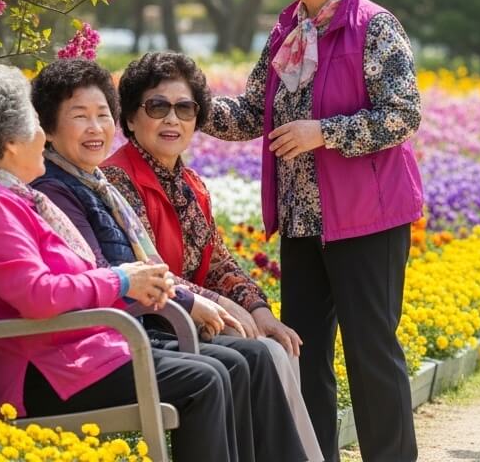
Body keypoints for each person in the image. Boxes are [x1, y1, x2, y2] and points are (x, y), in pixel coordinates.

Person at [199, 0, 424, 462]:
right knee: (305, 354)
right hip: (301, 221)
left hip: (367, 219)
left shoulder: (374, 28)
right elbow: (254, 111)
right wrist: (187, 108)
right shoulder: (287, 32)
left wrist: (322, 132)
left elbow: (402, 115)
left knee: (372, 352)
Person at [0, 66, 246, 462]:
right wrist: (120, 280)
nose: (43, 135)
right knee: (205, 380)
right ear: (12, 142)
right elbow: (36, 295)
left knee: (224, 368)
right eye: (36, 124)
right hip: (46, 372)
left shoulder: (11, 197)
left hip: (78, 355)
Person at [28, 58, 316, 460]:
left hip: (152, 323)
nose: (172, 119)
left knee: (269, 345)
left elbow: (218, 260)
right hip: (147, 326)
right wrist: (210, 305)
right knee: (250, 357)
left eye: (185, 109)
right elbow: (127, 274)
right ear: (129, 117)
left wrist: (257, 307)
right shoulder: (113, 181)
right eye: (157, 107)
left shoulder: (183, 183)